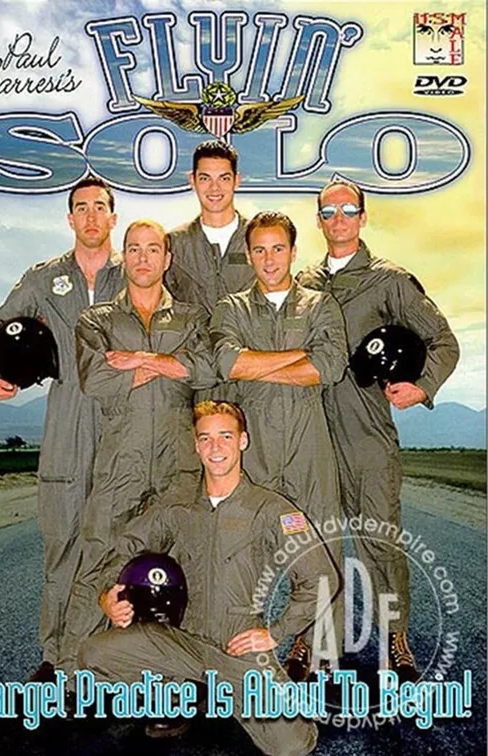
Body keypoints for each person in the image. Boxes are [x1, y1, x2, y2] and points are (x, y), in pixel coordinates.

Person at [80, 401, 341, 754]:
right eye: (205, 438)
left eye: (225, 436)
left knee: (292, 746)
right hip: (180, 640)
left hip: (236, 646)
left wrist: (276, 632)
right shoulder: (178, 506)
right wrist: (107, 597)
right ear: (196, 445)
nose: (215, 447)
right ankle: (179, 692)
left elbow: (322, 578)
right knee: (93, 654)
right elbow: (125, 548)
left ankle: (235, 691)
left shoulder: (271, 510)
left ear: (243, 441)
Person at [296, 179, 460, 682]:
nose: (339, 218)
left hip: (366, 436)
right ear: (319, 220)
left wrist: (421, 386)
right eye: (329, 211)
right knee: (315, 543)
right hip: (311, 434)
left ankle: (395, 636)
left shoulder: (388, 281)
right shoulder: (303, 283)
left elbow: (444, 342)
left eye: (349, 209)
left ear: (363, 218)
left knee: (379, 541)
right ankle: (312, 635)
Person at [0, 176, 124, 680]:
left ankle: (109, 661)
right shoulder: (44, 279)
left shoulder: (135, 271)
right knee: (63, 550)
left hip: (124, 423)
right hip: (66, 424)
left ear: (113, 216)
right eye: (82, 208)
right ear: (70, 218)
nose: (91, 216)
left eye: (100, 207)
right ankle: (55, 660)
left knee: (119, 548)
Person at [58, 219, 217, 680]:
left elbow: (206, 369)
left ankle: (182, 679)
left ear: (168, 259)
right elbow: (95, 379)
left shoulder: (192, 318)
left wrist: (139, 360)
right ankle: (70, 676)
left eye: (152, 249)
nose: (143, 257)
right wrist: (170, 365)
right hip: (119, 463)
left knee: (183, 567)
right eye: (133, 248)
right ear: (123, 258)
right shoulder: (97, 320)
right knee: (98, 561)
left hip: (178, 465)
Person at [209, 211, 348, 678]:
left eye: (278, 248)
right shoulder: (231, 308)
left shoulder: (320, 305)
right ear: (248, 255)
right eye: (259, 250)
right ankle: (241, 652)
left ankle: (320, 656)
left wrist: (258, 364)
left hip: (310, 447)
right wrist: (300, 355)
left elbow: (330, 367)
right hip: (257, 449)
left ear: (293, 251)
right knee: (245, 553)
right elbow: (228, 363)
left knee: (322, 546)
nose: (269, 260)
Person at [165, 140, 254, 315]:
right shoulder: (174, 243)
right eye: (205, 178)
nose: (214, 188)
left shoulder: (258, 239)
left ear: (237, 181)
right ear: (192, 180)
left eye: (224, 178)